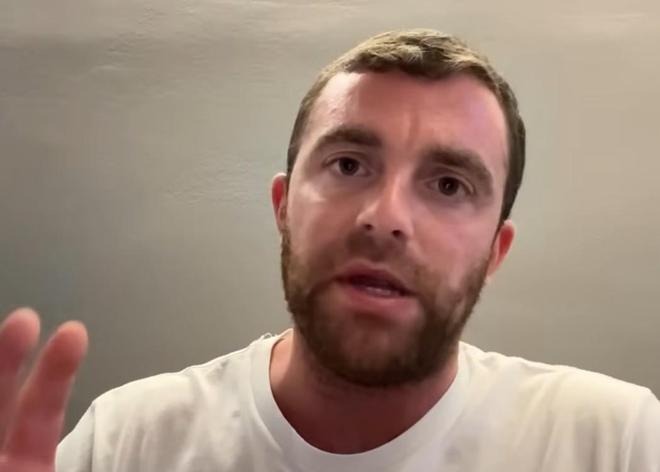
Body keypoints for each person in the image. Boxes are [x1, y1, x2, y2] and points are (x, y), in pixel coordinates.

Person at [0, 29, 658, 472]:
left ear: (495, 251)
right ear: (284, 206)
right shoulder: (126, 444)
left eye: (448, 185)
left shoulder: (615, 444)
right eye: (348, 165)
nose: (386, 217)